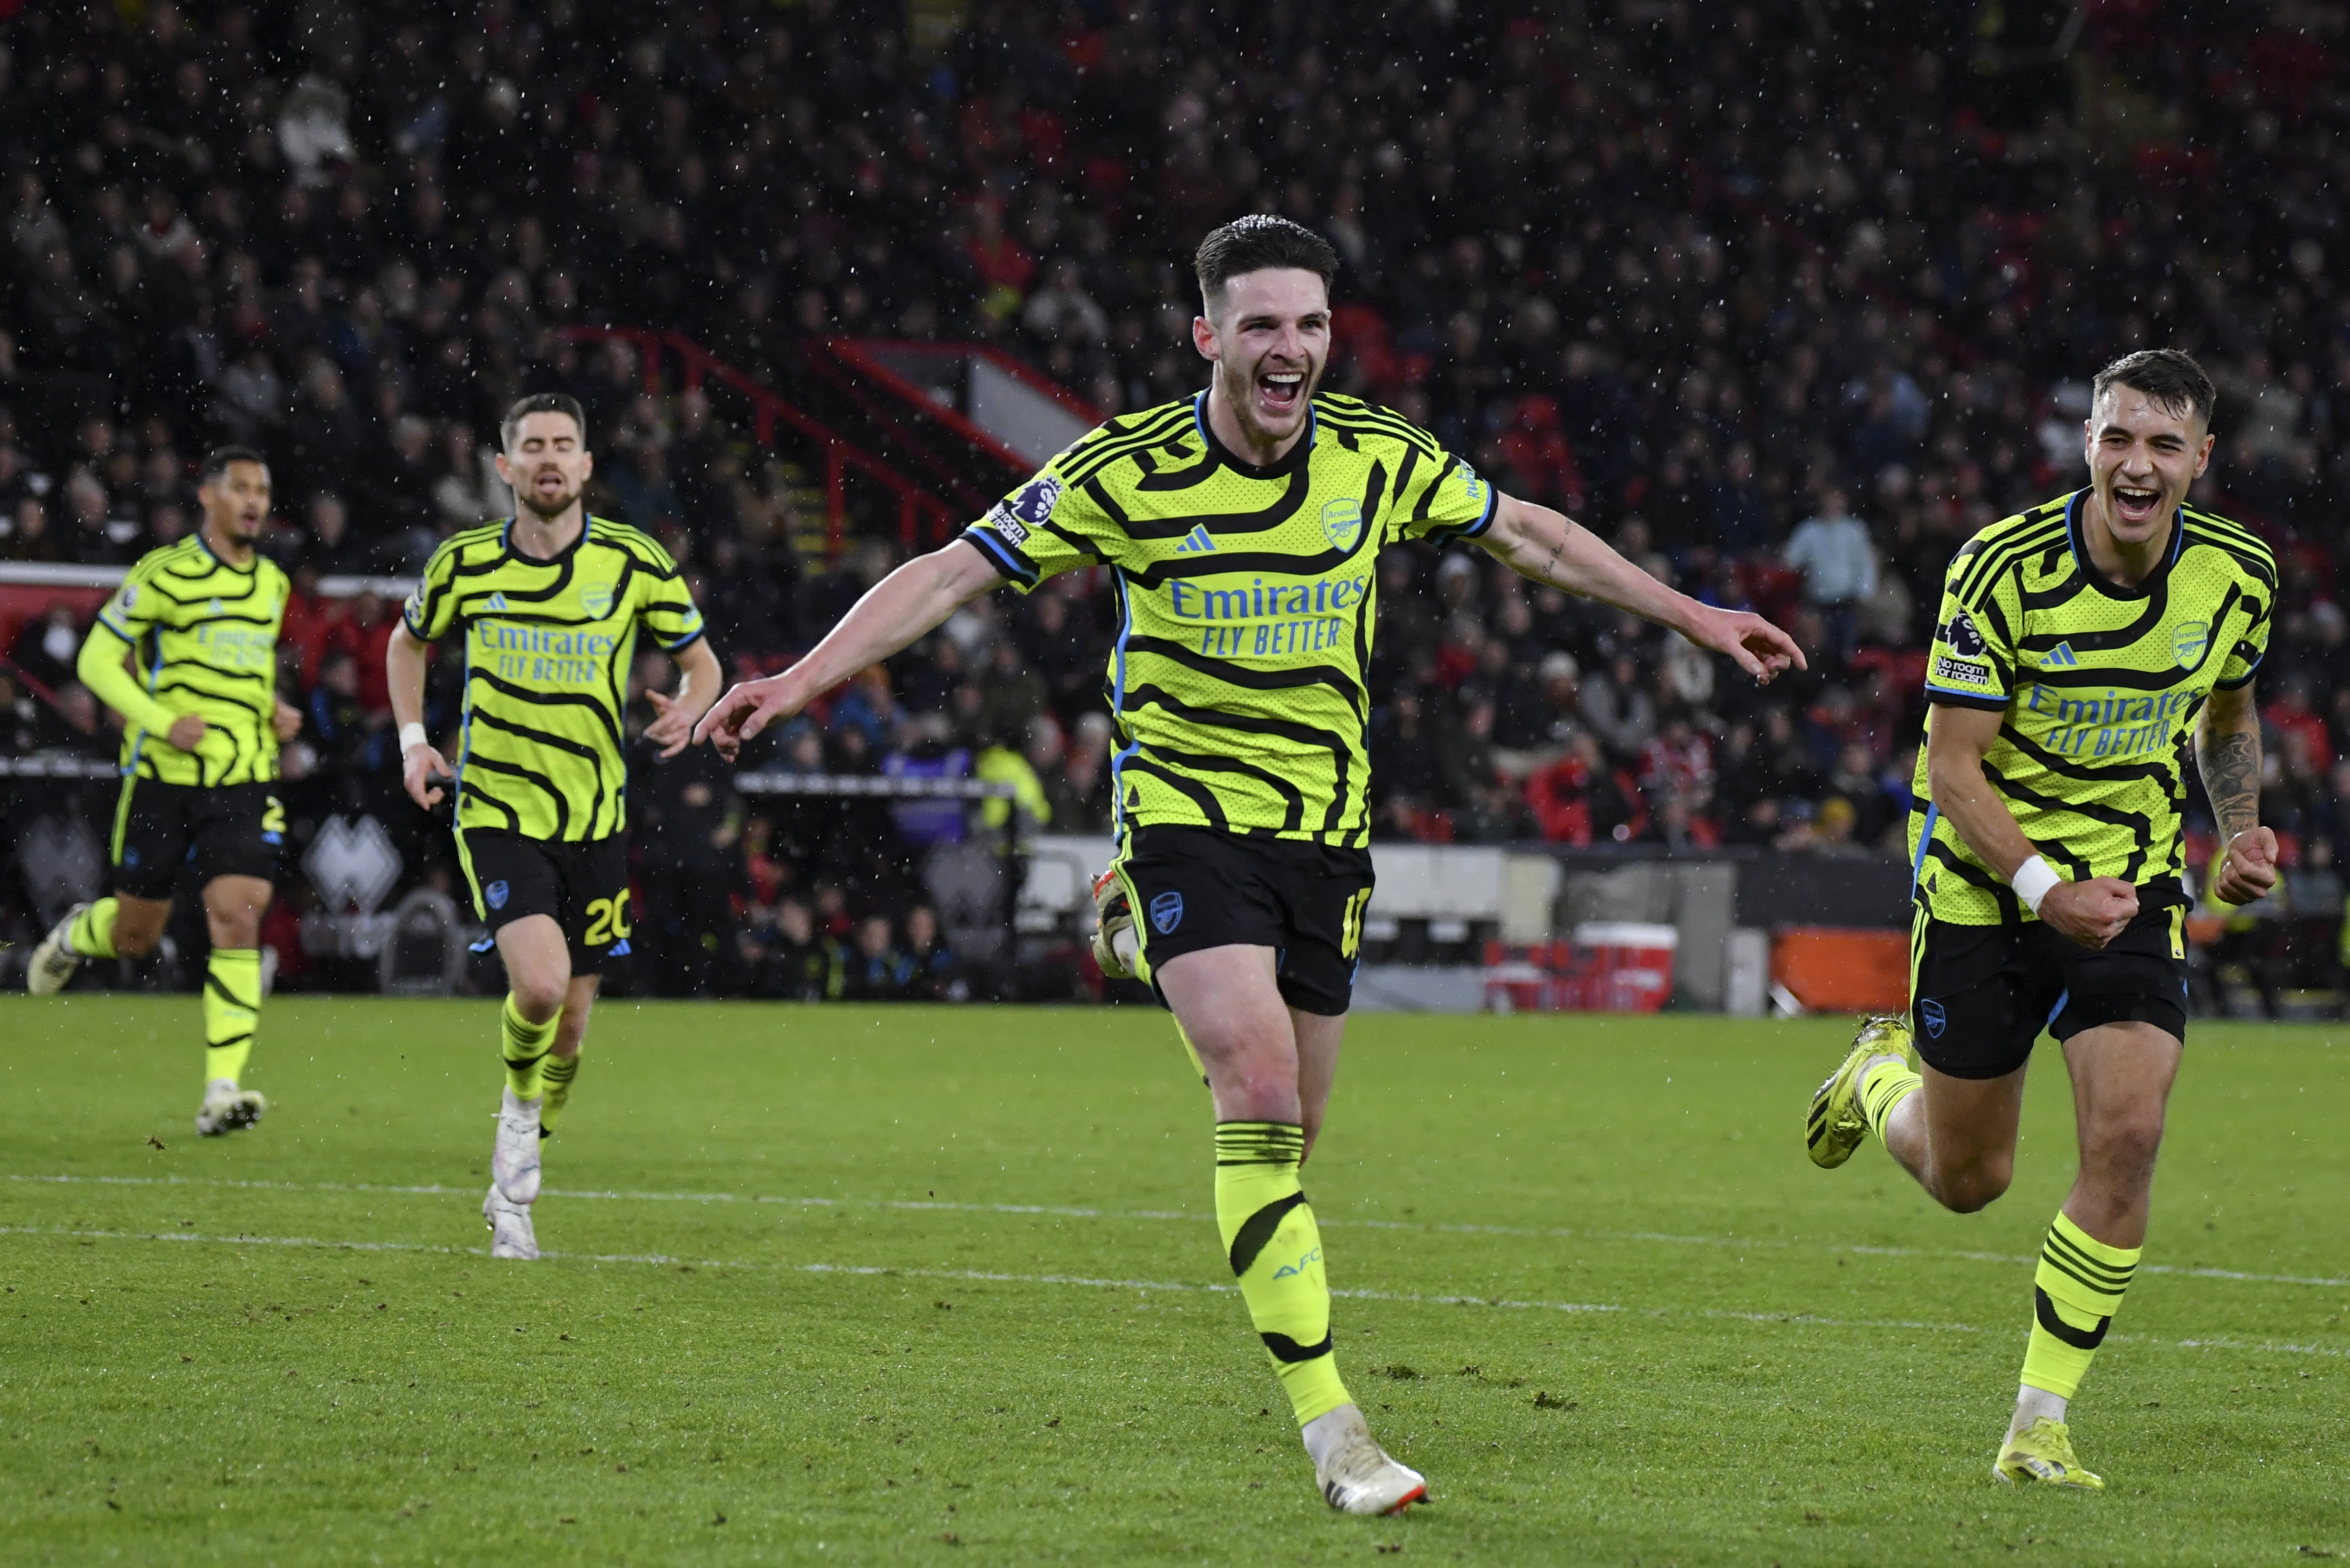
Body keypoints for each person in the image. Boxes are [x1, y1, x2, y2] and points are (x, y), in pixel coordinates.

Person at [693, 216, 1802, 1517]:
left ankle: (1134, 938)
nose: (1291, 347)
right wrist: (799, 678)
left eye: (1311, 324)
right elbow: (948, 575)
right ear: (1206, 336)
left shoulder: (1376, 458)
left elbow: (1533, 539)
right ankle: (1338, 1433)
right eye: (1262, 323)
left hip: (1324, 837)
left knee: (1291, 1134)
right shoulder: (1124, 471)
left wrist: (1691, 614)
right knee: (1259, 1088)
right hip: (1184, 817)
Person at [1805, 349, 2277, 1489]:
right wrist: (2041, 891)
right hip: (1983, 884)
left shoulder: (2237, 575)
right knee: (1968, 1179)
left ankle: (2037, 1424)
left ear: (2199, 459)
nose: (2136, 464)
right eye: (2116, 438)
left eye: (2162, 444)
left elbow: (2225, 712)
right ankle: (1877, 1079)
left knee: (2128, 1134)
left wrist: (2240, 830)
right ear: (2087, 445)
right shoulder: (2000, 569)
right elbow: (1952, 770)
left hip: (2130, 885)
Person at [386, 393, 720, 1261]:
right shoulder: (464, 563)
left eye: (563, 444)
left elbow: (703, 663)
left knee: (570, 1027)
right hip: (497, 807)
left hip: (596, 819)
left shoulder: (634, 561)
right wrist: (416, 743)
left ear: (585, 465)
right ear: (504, 467)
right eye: (531, 445)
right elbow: (406, 642)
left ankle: (515, 1175)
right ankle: (516, 1139)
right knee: (538, 986)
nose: (548, 458)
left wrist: (692, 706)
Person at [25, 446, 303, 1136]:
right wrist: (158, 721)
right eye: (240, 488)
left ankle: (221, 1090)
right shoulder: (164, 573)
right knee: (135, 936)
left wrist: (273, 707)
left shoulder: (273, 584)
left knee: (238, 913)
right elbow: (96, 659)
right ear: (207, 496)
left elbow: (245, 670)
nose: (254, 501)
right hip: (163, 777)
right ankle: (80, 931)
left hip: (243, 774)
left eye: (262, 490)